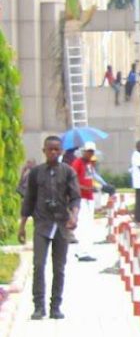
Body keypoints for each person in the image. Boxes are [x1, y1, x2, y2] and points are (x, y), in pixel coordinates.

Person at [18, 135, 81, 320]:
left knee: (59, 267)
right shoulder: (36, 173)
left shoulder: (68, 172)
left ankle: (56, 307)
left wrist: (74, 216)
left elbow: (76, 196)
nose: (53, 152)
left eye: (57, 149)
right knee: (38, 265)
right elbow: (28, 200)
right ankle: (39, 306)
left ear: (61, 151)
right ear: (43, 151)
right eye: (50, 149)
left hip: (61, 225)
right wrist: (22, 226)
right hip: (42, 224)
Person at [67, 143, 100, 261]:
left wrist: (95, 187)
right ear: (83, 151)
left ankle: (84, 250)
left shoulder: (89, 164)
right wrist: (85, 188)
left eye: (92, 152)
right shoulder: (78, 163)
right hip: (80, 197)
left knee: (88, 225)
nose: (90, 153)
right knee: (82, 225)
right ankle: (82, 252)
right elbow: (72, 181)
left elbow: (90, 179)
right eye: (88, 151)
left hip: (89, 197)